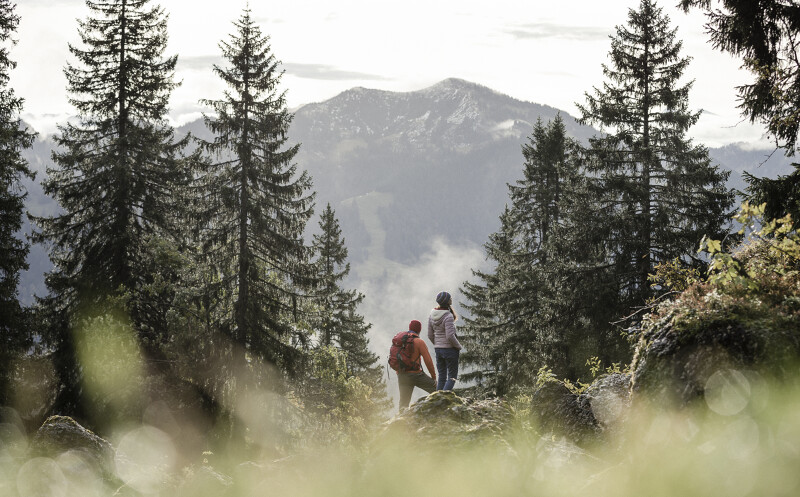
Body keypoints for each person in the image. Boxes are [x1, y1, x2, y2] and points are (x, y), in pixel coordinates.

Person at [396, 320, 437, 410]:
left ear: (410, 328)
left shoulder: (400, 340)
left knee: (403, 404)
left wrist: (399, 372)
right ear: (419, 330)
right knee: (438, 390)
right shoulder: (419, 342)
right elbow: (428, 361)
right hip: (416, 375)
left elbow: (396, 357)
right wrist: (433, 377)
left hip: (402, 375)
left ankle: (400, 423)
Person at [428, 291, 462, 391]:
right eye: (450, 298)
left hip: (438, 350)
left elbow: (430, 335)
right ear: (447, 301)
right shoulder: (448, 316)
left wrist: (437, 344)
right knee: (452, 377)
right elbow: (450, 336)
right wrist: (458, 346)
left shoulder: (432, 315)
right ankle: (443, 400)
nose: (451, 299)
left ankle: (437, 399)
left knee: (441, 377)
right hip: (450, 350)